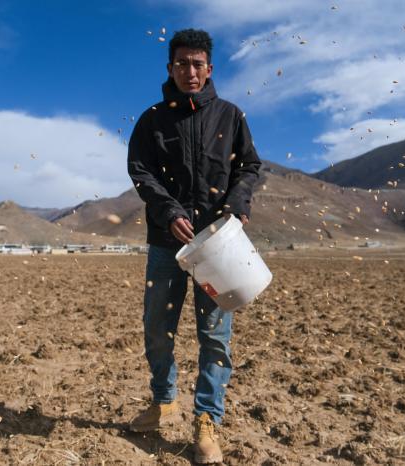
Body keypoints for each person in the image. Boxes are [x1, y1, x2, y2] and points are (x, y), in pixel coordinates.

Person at [126, 28, 261, 464]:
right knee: (156, 329)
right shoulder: (152, 120)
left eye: (197, 64)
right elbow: (141, 171)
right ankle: (163, 400)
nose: (190, 71)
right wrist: (169, 210)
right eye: (181, 63)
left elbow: (249, 167)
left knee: (215, 337)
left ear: (209, 68)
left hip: (219, 247)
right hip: (167, 244)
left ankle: (206, 420)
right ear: (170, 68)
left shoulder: (231, 116)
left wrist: (237, 204)